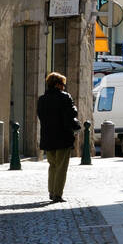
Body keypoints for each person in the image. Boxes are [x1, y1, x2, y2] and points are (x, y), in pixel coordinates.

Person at [37, 71, 79, 203]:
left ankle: (51, 191)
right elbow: (73, 112)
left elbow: (41, 116)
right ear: (56, 84)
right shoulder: (65, 97)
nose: (64, 87)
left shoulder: (42, 99)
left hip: (48, 137)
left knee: (52, 165)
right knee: (61, 166)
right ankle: (57, 194)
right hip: (63, 136)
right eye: (62, 84)